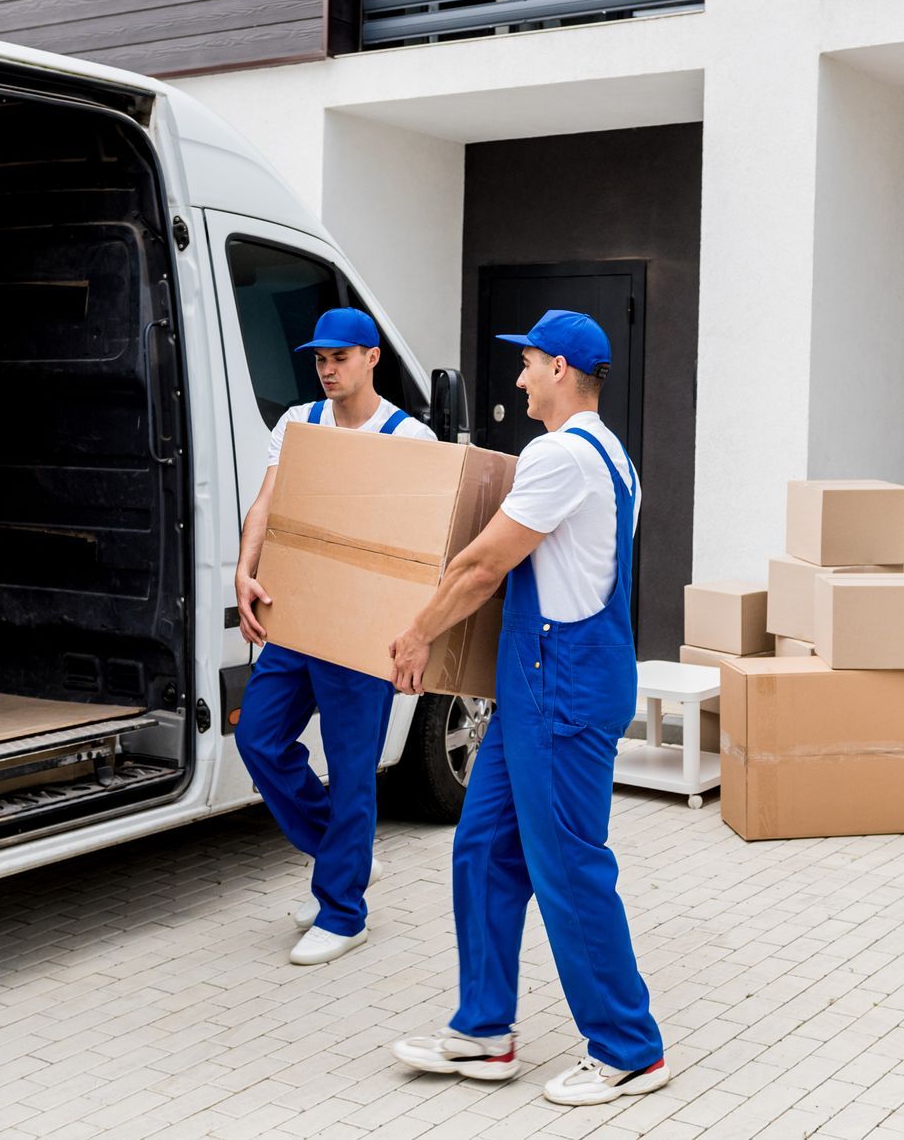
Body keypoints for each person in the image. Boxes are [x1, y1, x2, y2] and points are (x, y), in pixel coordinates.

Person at [385, 309, 669, 1107]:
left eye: (527, 364)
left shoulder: (558, 455)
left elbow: (482, 565)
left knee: (568, 868)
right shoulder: (614, 457)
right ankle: (485, 1031)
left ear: (560, 371)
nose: (518, 378)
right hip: (542, 682)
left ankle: (628, 1048)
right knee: (481, 848)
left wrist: (416, 636)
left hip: (562, 685)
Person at [234, 307, 436, 966]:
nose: (326, 369)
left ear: (372, 357)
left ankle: (344, 912)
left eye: (340, 357)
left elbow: (423, 549)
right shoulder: (298, 423)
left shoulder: (413, 438)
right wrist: (244, 571)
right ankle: (344, 855)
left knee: (352, 770)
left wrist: (417, 634)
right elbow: (266, 505)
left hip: (366, 629)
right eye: (319, 358)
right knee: (259, 737)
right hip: (298, 615)